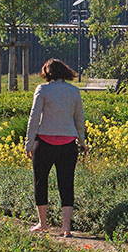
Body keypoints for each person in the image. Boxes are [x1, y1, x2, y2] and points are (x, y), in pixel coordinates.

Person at [25, 57, 87, 237]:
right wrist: (82, 142)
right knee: (67, 184)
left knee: (40, 182)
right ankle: (66, 228)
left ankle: (42, 224)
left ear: (47, 73)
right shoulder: (74, 91)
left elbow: (34, 118)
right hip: (68, 145)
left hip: (44, 144)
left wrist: (29, 143)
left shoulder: (42, 90)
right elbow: (79, 119)